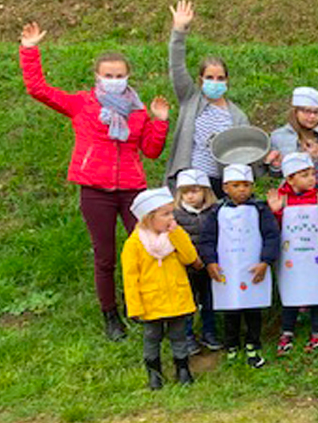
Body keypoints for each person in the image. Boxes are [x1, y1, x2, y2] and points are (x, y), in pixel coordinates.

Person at [18, 22, 170, 341]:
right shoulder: (82, 104)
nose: (114, 80)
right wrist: (30, 50)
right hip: (95, 191)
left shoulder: (138, 111)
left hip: (132, 190)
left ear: (128, 76)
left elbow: (152, 151)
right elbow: (38, 90)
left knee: (143, 248)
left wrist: (159, 122)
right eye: (108, 76)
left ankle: (141, 306)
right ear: (97, 77)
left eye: (119, 75)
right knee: (105, 256)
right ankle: (110, 315)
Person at [164, 0, 250, 194]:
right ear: (201, 80)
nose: (215, 81)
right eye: (210, 77)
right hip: (190, 179)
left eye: (220, 78)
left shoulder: (237, 116)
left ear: (227, 81)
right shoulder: (190, 98)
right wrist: (179, 30)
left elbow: (245, 151)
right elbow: (176, 66)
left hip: (221, 183)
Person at [199, 164, 279, 369]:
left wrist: (266, 261)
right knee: (230, 309)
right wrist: (210, 262)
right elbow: (207, 239)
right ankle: (231, 345)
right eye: (236, 185)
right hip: (227, 270)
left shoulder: (261, 210)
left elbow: (272, 236)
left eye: (246, 185)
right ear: (225, 188)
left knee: (253, 309)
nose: (242, 189)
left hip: (254, 269)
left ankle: (253, 344)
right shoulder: (216, 212)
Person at [121, 187, 202, 389]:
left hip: (177, 296)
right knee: (152, 337)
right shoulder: (134, 244)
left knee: (178, 335)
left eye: (171, 213)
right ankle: (154, 374)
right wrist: (135, 307)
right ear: (148, 218)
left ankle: (183, 369)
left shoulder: (174, 236)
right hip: (151, 301)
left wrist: (177, 234)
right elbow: (130, 279)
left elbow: (190, 257)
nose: (170, 218)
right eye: (165, 214)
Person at [267, 152, 318, 356]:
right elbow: (273, 230)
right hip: (291, 257)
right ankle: (287, 332)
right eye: (304, 174)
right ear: (290, 178)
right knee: (291, 292)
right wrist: (275, 212)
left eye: (312, 173)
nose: (311, 178)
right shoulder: (282, 199)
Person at [173, 168, 220, 353]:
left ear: (205, 191)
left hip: (209, 266)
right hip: (186, 267)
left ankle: (209, 332)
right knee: (188, 302)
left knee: (209, 300)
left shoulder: (215, 211)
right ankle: (187, 336)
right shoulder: (176, 215)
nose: (190, 196)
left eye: (195, 191)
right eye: (185, 192)